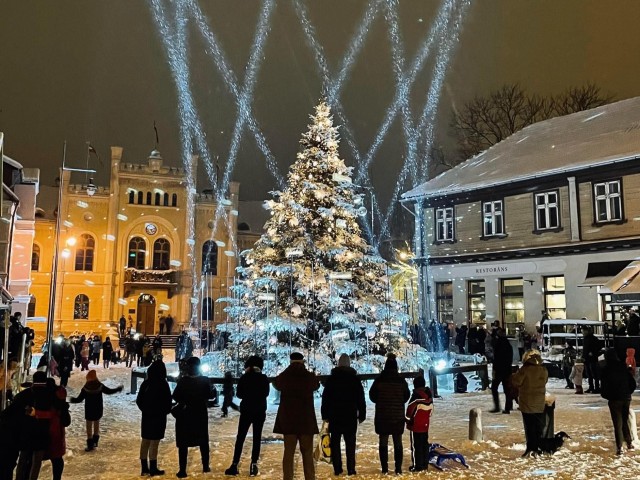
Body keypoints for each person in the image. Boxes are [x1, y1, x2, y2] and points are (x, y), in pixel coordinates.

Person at [273, 352, 320, 480]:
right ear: (302, 361)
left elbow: (276, 383)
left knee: (288, 453)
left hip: (289, 422)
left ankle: (287, 478)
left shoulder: (285, 376)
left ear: (291, 361)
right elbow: (317, 385)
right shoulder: (308, 376)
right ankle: (310, 478)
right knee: (307, 454)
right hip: (306, 421)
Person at [321, 353, 366, 476]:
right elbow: (360, 399)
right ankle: (351, 468)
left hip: (335, 416)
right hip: (350, 415)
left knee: (335, 443)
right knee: (350, 443)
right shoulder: (354, 380)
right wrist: (362, 414)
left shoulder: (331, 379)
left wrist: (324, 415)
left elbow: (325, 399)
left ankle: (337, 468)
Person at [225, 355, 270, 477]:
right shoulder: (263, 378)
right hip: (260, 410)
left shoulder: (244, 378)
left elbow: (239, 394)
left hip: (246, 410)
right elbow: (266, 393)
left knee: (240, 438)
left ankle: (234, 464)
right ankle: (253, 464)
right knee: (257, 438)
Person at [369, 353, 410, 474]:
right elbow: (406, 396)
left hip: (383, 416)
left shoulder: (379, 380)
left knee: (383, 442)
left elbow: (372, 396)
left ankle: (385, 469)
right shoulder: (401, 381)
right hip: (397, 416)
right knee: (398, 442)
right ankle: (398, 468)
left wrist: (381, 400)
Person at [173, 356, 211, 478]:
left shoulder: (183, 381)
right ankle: (205, 466)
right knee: (203, 441)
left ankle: (182, 470)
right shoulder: (205, 380)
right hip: (200, 413)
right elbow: (209, 395)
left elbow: (176, 396)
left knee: (183, 443)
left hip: (185, 414)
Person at [70, 370, 124, 451]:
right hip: (98, 408)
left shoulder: (86, 388)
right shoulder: (100, 386)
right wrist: (117, 389)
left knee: (89, 427)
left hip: (89, 409)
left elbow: (79, 399)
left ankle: (90, 444)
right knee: (96, 424)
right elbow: (109, 391)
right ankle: (95, 442)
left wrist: (72, 400)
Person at [136, 360, 173, 476]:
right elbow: (168, 402)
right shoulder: (163, 384)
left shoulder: (146, 383)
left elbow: (139, 400)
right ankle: (153, 467)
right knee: (154, 442)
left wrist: (145, 409)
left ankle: (144, 468)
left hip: (147, 416)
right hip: (159, 417)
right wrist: (165, 411)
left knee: (145, 441)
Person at [510, 349, 548, 456]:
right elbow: (545, 381)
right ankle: (538, 448)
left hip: (527, 402)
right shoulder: (543, 369)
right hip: (539, 402)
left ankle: (531, 448)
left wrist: (513, 375)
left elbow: (516, 381)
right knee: (538, 427)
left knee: (529, 426)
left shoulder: (525, 369)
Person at [600, 348, 637, 455]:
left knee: (617, 424)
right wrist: (628, 392)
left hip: (614, 400)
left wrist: (608, 396)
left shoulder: (606, 369)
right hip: (626, 398)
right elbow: (632, 383)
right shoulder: (623, 367)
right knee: (625, 421)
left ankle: (619, 447)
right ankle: (629, 443)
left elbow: (603, 388)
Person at [405, 377, 434, 472]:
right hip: (425, 425)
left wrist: (408, 420)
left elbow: (409, 411)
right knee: (425, 444)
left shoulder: (415, 396)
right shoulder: (429, 396)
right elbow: (431, 411)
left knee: (416, 446)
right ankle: (425, 464)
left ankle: (417, 466)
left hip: (415, 426)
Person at [490, 328, 514, 414]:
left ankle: (497, 407)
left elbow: (496, 358)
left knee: (494, 388)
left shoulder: (498, 344)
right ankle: (508, 407)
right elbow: (510, 358)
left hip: (499, 370)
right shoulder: (508, 344)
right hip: (507, 370)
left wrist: (495, 369)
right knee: (507, 389)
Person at [582, 327, 601, 393]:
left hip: (592, 359)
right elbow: (585, 349)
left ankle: (596, 388)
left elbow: (599, 346)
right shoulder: (585, 339)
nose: (583, 332)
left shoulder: (593, 339)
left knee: (594, 374)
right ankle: (591, 387)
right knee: (589, 374)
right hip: (587, 359)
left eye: (584, 331)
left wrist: (593, 352)